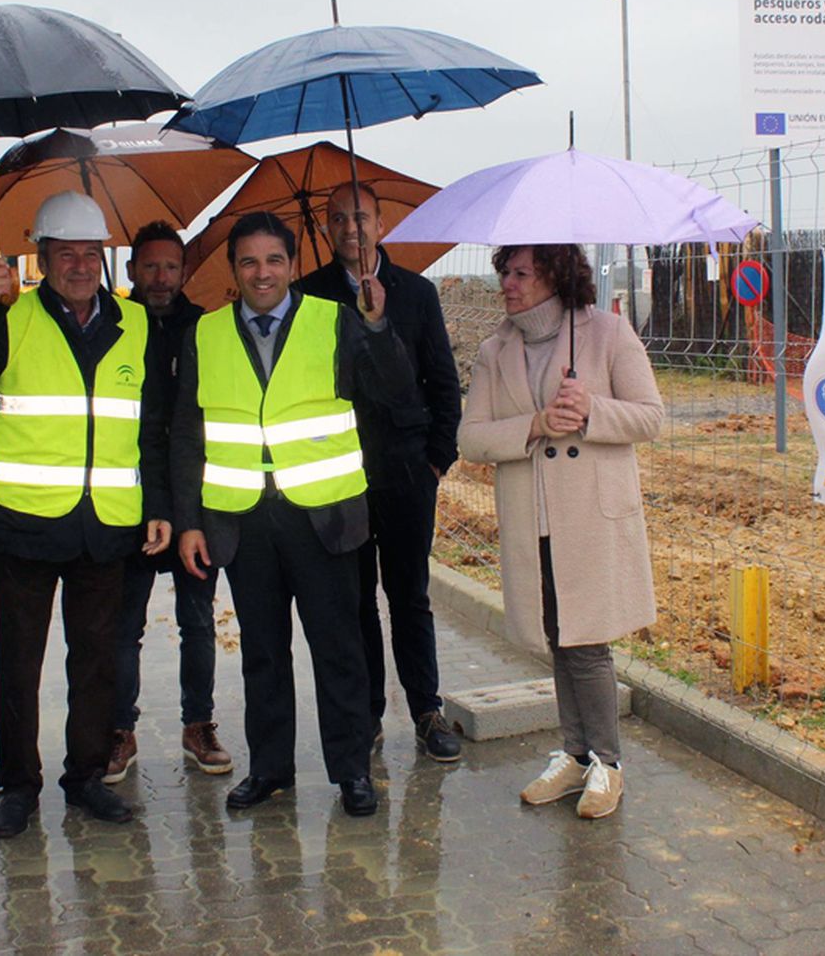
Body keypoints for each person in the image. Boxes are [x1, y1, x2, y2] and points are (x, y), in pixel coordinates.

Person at [172, 212, 416, 818]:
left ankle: (352, 771)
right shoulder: (205, 334)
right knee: (262, 653)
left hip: (326, 520)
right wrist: (189, 521)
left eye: (274, 260)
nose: (262, 273)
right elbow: (185, 435)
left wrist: (378, 324)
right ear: (234, 270)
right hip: (243, 522)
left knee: (338, 649)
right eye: (249, 262)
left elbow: (394, 391)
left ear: (291, 265)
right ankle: (271, 770)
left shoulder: (336, 321)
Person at [0, 192, 172, 838]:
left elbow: (153, 425)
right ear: (41, 256)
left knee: (98, 661)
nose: (79, 265)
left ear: (104, 258)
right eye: (64, 253)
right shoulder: (8, 314)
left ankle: (83, 779)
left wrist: (158, 505)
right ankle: (19, 787)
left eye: (90, 253)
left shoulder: (135, 323)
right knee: (20, 663)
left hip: (106, 524)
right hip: (25, 523)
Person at [458, 245, 661, 819]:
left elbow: (650, 416)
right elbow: (471, 439)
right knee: (557, 635)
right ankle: (575, 754)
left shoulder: (609, 334)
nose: (509, 284)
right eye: (505, 273)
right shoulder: (495, 350)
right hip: (532, 519)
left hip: (589, 517)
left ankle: (609, 765)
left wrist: (592, 410)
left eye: (522, 273)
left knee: (588, 643)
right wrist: (536, 424)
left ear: (554, 275)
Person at [297, 182, 463, 762]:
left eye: (359, 217)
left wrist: (437, 457)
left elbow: (443, 382)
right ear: (325, 226)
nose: (349, 228)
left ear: (381, 220)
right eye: (337, 219)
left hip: (407, 472)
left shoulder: (416, 293)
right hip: (339, 473)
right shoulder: (307, 296)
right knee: (355, 598)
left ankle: (426, 708)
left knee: (409, 594)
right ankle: (366, 715)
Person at [105, 221, 232, 785]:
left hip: (191, 502)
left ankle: (198, 723)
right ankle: (117, 729)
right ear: (132, 270)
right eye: (149, 266)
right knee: (122, 625)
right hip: (129, 500)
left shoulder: (204, 328)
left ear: (184, 272)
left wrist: (194, 511)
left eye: (170, 267)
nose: (160, 278)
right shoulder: (112, 325)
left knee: (197, 621)